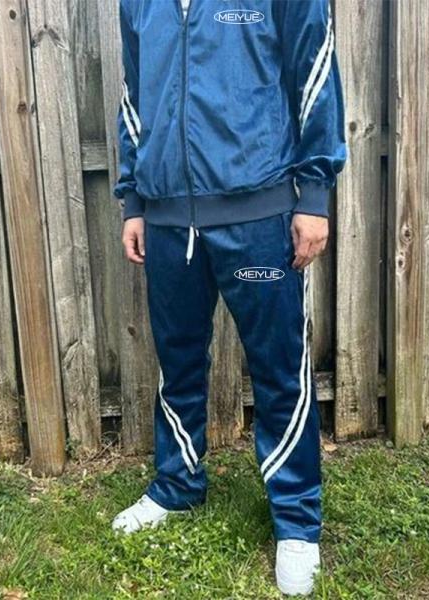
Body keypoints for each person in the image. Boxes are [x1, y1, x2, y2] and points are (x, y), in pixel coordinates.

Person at [111, 0, 346, 595]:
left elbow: (315, 72)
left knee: (279, 368)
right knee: (177, 363)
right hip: (167, 220)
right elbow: (135, 95)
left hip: (258, 214)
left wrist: (314, 195)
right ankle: (177, 485)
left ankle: (296, 520)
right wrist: (135, 200)